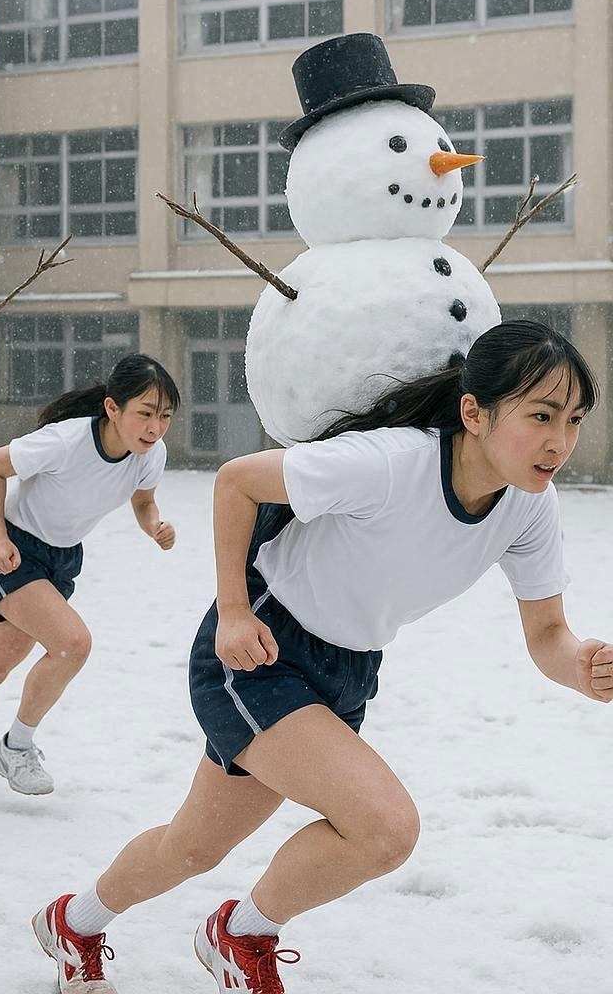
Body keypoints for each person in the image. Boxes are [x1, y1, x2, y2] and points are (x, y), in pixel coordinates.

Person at [31, 320, 613, 993]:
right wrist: (232, 610)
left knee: (193, 845)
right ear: (474, 413)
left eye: (573, 419)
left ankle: (74, 921)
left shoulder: (528, 508)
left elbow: (548, 634)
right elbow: (237, 483)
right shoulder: (393, 462)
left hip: (348, 670)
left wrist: (582, 664)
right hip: (261, 648)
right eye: (541, 416)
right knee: (384, 829)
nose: (560, 441)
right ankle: (242, 933)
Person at [0, 354, 179, 796]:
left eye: (165, 416)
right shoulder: (67, 440)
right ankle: (16, 747)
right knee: (72, 644)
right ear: (113, 408)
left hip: (62, 559)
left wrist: (154, 526)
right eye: (145, 414)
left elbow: (144, 502)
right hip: (14, 550)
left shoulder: (150, 454)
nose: (155, 427)